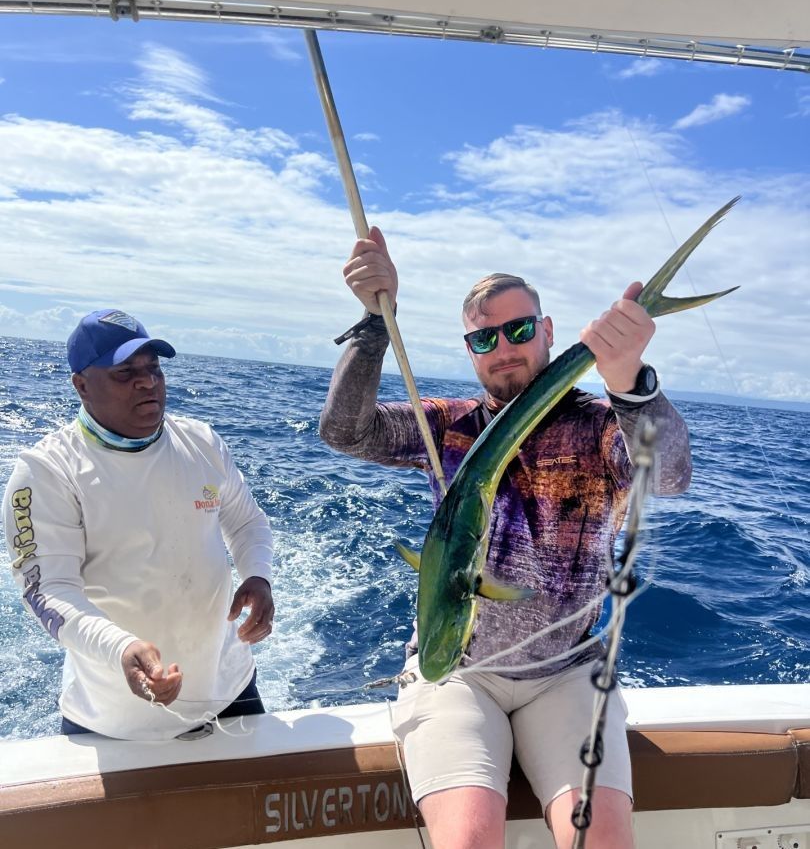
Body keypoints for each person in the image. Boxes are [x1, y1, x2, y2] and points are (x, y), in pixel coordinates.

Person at [319, 228, 692, 849]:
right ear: (470, 351)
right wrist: (374, 322)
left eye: (519, 330)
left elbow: (670, 474)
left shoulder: (603, 427)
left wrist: (630, 380)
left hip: (566, 671)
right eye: (484, 338)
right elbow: (344, 431)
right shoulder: (447, 425)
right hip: (458, 672)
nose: (504, 349)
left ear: (547, 332)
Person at [3, 309, 275, 740]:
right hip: (114, 719)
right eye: (125, 373)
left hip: (230, 690)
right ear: (81, 385)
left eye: (154, 369)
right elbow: (48, 590)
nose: (147, 382)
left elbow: (246, 522)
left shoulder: (202, 441)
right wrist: (121, 648)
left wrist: (258, 576)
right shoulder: (46, 471)